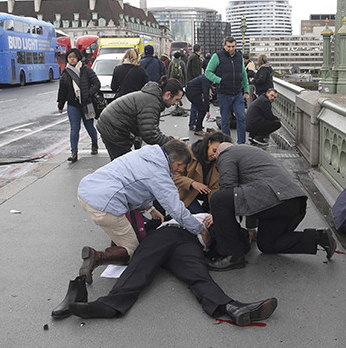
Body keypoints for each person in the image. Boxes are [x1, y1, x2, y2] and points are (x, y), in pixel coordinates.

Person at [67, 220, 277, 326]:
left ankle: (231, 307)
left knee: (199, 276)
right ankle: (109, 305)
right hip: (167, 233)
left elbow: (235, 242)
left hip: (190, 244)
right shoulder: (184, 212)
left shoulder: (219, 226)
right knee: (141, 266)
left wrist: (235, 232)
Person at [76, 140, 208, 284]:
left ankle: (116, 243)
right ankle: (96, 257)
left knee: (122, 230)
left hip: (86, 191)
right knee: (133, 249)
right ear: (172, 159)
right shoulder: (159, 174)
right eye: (180, 165)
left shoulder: (147, 154)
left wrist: (150, 208)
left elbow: (136, 184)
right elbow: (177, 210)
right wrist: (200, 229)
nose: (181, 170)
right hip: (105, 204)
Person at [207, 143, 336, 271]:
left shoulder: (226, 153)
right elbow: (248, 195)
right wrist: (251, 229)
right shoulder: (249, 153)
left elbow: (228, 189)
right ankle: (319, 237)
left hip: (275, 198)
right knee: (267, 244)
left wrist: (218, 216)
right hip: (292, 202)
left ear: (218, 153)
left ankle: (232, 255)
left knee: (219, 199)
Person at [97, 78, 184, 160]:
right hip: (112, 128)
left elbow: (151, 129)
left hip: (113, 125)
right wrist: (171, 141)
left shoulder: (153, 97)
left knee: (125, 163)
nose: (176, 103)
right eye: (177, 99)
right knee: (125, 166)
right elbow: (150, 135)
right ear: (168, 94)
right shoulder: (152, 102)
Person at [57, 48, 101, 162]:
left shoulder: (86, 70)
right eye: (69, 57)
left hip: (86, 103)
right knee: (74, 128)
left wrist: (88, 94)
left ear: (78, 58)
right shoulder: (66, 72)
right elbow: (62, 90)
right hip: (72, 105)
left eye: (74, 57)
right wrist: (60, 105)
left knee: (89, 127)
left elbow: (97, 84)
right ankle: (74, 153)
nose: (71, 59)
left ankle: (94, 144)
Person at [204, 36, 250, 144]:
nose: (231, 49)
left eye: (233, 46)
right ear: (224, 45)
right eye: (229, 46)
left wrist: (246, 91)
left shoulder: (239, 57)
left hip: (237, 93)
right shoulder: (217, 56)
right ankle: (227, 143)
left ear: (236, 45)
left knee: (241, 118)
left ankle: (241, 143)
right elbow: (208, 72)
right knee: (225, 121)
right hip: (223, 94)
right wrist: (220, 80)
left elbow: (243, 74)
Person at [174, 131, 231, 213]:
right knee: (198, 216)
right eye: (214, 150)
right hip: (186, 192)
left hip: (207, 194)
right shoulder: (188, 153)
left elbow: (216, 187)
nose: (215, 156)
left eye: (219, 153)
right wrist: (192, 183)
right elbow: (174, 176)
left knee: (209, 218)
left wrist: (214, 210)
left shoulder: (220, 160)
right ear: (209, 143)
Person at [186, 44, 204, 130]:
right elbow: (196, 71)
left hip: (191, 83)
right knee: (195, 104)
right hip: (194, 85)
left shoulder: (192, 56)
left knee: (195, 104)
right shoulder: (195, 58)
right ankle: (193, 123)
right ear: (199, 49)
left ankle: (194, 122)